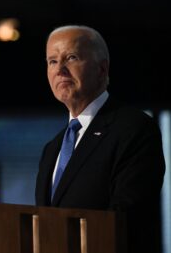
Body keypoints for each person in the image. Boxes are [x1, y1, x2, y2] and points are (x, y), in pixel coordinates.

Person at [35, 25, 165, 253]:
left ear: (102, 68)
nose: (60, 70)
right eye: (52, 61)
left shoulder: (133, 128)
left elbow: (127, 216)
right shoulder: (52, 148)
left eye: (71, 58)